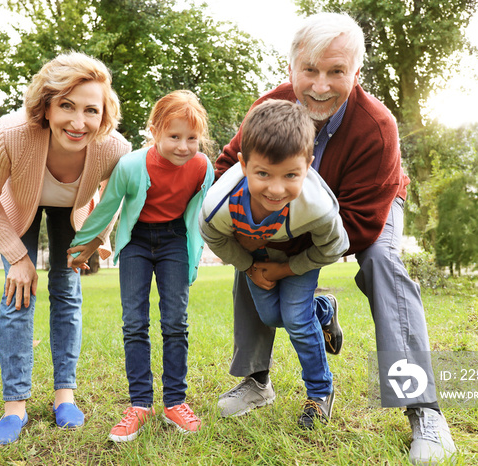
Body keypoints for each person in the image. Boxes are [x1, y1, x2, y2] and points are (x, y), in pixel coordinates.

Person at [213, 12, 457, 465]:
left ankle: (423, 409)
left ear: (356, 73)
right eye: (310, 70)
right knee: (250, 236)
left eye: (336, 72)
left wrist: (288, 266)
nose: (321, 86)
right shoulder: (267, 107)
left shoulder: (377, 127)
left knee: (383, 263)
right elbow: (228, 170)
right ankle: (255, 380)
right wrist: (251, 237)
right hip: (288, 205)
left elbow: (359, 227)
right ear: (291, 69)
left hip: (366, 206)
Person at [0, 52, 131, 445]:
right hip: (18, 205)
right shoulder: (9, 134)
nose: (78, 123)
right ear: (46, 105)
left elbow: (117, 195)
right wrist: (18, 259)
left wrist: (95, 238)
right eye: (66, 106)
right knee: (17, 292)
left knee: (67, 290)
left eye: (91, 110)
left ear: (104, 113)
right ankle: (15, 408)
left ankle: (65, 397)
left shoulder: (114, 148)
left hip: (74, 211)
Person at [67, 90, 214, 443]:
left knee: (175, 322)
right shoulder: (132, 166)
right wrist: (85, 244)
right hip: (136, 242)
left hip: (175, 241)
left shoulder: (202, 167)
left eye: (191, 138)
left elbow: (200, 216)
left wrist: (195, 256)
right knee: (134, 322)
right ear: (155, 131)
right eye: (174, 137)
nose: (183, 146)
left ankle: (175, 402)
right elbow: (107, 208)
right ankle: (140, 404)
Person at [200, 100, 349, 428]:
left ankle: (320, 391)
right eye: (263, 173)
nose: (276, 188)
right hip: (255, 258)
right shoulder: (218, 206)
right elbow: (215, 239)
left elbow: (335, 246)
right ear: (243, 164)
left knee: (297, 319)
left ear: (308, 166)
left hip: (299, 258)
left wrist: (288, 269)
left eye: (291, 175)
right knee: (271, 316)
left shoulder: (318, 207)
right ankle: (323, 310)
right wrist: (249, 267)